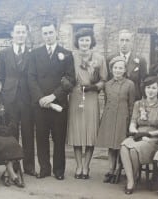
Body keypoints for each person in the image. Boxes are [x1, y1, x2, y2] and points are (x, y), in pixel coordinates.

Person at [28, 20, 75, 180]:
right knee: (41, 137)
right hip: (40, 104)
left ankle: (59, 170)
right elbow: (31, 78)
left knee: (59, 138)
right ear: (42, 35)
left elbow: (70, 79)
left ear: (56, 33)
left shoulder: (66, 54)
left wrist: (53, 96)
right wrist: (41, 98)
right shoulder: (34, 54)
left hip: (58, 103)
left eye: (50, 32)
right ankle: (44, 168)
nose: (48, 36)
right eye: (45, 33)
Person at [66, 27, 107, 180]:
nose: (84, 43)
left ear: (91, 41)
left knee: (90, 133)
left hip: (91, 96)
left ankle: (86, 166)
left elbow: (104, 80)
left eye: (87, 40)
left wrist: (94, 87)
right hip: (77, 95)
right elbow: (67, 76)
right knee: (77, 133)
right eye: (82, 40)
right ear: (78, 41)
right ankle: (78, 166)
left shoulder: (100, 58)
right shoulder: (72, 57)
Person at [0, 21, 35, 176]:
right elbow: (1, 77)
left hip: (26, 98)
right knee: (12, 132)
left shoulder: (32, 53)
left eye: (23, 32)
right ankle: (13, 165)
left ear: (26, 34)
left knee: (27, 133)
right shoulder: (4, 54)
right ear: (12, 34)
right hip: (9, 98)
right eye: (18, 32)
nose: (20, 35)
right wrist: (1, 98)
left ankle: (29, 166)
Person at [120, 76, 158, 194]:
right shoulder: (138, 104)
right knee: (124, 147)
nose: (151, 90)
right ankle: (131, 180)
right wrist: (136, 133)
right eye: (148, 88)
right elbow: (133, 123)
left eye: (154, 88)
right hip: (138, 135)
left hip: (152, 137)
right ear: (144, 89)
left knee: (134, 150)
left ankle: (132, 180)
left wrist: (148, 134)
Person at [96, 56, 135, 183]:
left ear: (124, 70)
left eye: (121, 68)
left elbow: (131, 104)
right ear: (112, 70)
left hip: (123, 118)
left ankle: (119, 170)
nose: (118, 70)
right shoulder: (107, 85)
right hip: (110, 117)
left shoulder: (130, 84)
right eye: (115, 68)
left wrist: (130, 122)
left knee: (119, 145)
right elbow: (107, 101)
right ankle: (110, 170)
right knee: (110, 146)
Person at [107, 29, 147, 100]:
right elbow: (108, 81)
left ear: (132, 43)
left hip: (134, 99)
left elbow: (143, 81)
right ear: (118, 42)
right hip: (116, 99)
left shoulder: (140, 60)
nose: (124, 43)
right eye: (122, 40)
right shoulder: (110, 59)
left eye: (127, 40)